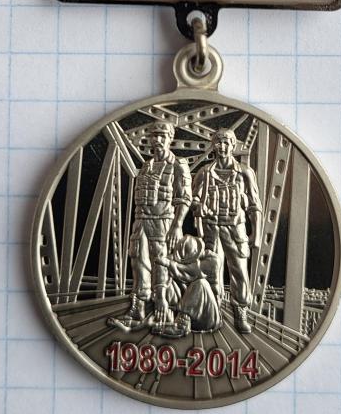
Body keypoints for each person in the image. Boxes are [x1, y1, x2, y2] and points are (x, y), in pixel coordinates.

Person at [108, 121, 191, 331]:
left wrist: (177, 225)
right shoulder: (146, 166)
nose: (158, 140)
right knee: (138, 261)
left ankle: (164, 308)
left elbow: (184, 198)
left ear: (170, 138)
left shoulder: (178, 165)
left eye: (162, 136)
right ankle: (138, 308)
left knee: (161, 261)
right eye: (154, 136)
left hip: (162, 221)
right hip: (141, 220)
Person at [191, 128, 263, 334]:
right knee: (212, 271)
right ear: (213, 145)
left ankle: (241, 312)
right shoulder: (205, 173)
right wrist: (198, 206)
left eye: (226, 142)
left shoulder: (245, 173)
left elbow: (254, 205)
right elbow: (193, 198)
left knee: (239, 271)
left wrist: (257, 234)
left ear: (233, 145)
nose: (222, 146)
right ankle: (214, 312)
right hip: (211, 228)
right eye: (218, 142)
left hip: (235, 229)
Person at [153, 234, 223, 337]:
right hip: (187, 317)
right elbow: (161, 263)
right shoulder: (179, 258)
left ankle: (182, 325)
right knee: (170, 283)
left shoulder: (212, 260)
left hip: (208, 318)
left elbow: (193, 271)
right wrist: (160, 297)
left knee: (200, 283)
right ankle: (166, 318)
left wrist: (169, 264)